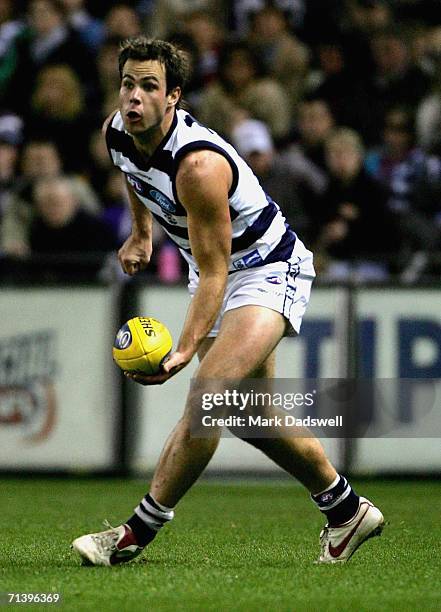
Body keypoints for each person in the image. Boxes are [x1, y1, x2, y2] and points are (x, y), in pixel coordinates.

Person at [71, 37, 384, 567]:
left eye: (150, 87)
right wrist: (141, 234)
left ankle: (132, 535)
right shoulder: (116, 133)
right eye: (128, 84)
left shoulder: (198, 166)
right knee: (248, 414)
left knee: (208, 395)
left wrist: (184, 350)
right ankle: (347, 510)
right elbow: (135, 178)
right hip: (215, 269)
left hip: (266, 267)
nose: (135, 98)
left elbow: (217, 272)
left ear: (174, 97)